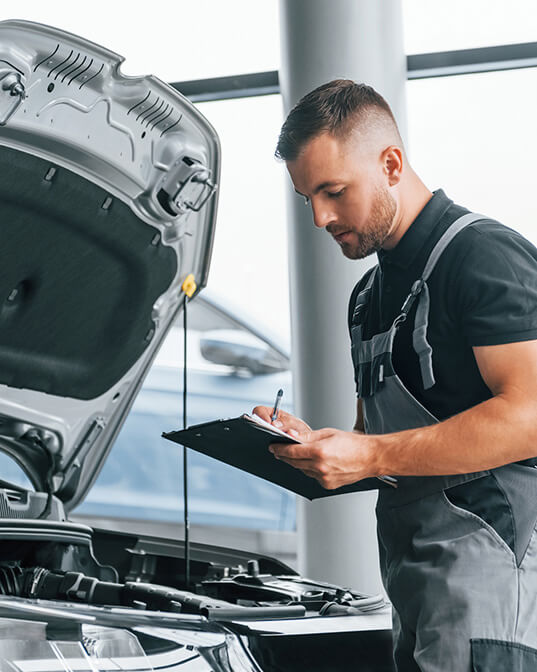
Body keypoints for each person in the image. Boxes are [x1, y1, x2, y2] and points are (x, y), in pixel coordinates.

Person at [253, 79, 537, 671]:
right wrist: (316, 446)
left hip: (494, 581)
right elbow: (380, 441)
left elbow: (530, 415)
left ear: (390, 163)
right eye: (307, 198)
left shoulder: (482, 257)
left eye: (333, 191)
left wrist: (373, 455)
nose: (320, 217)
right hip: (415, 584)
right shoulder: (367, 297)